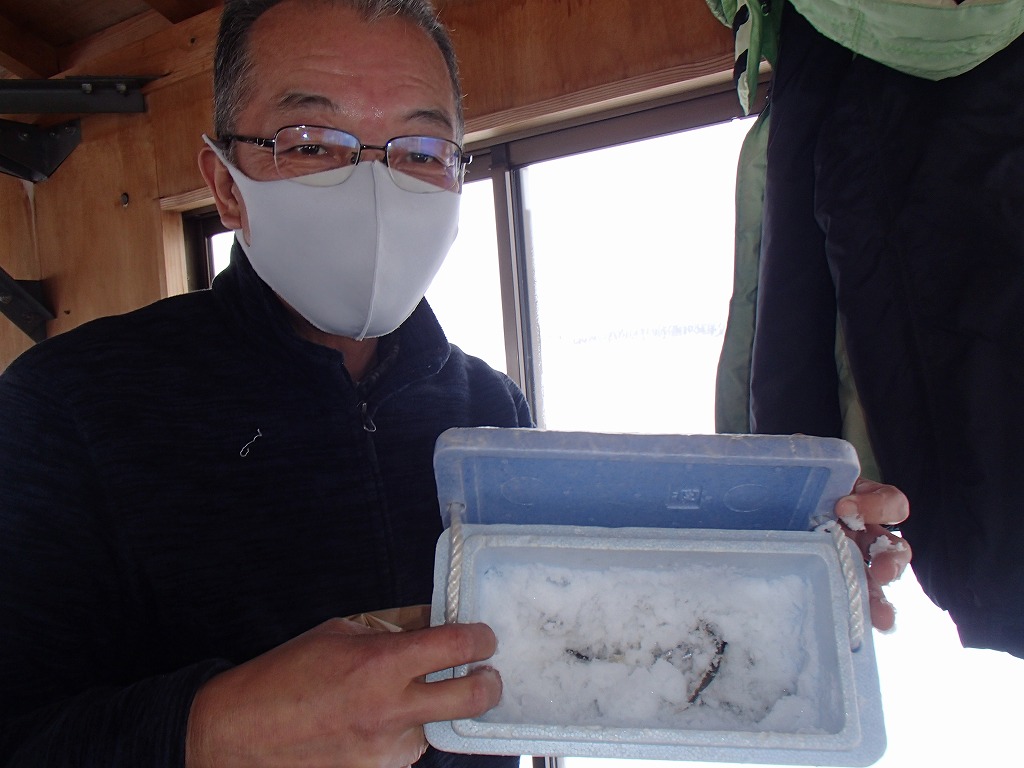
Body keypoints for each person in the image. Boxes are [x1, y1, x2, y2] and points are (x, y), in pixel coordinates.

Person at [0, 1, 912, 766]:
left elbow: (583, 626)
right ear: (227, 185)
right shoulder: (64, 407)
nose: (373, 186)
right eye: (310, 142)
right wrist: (216, 728)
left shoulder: (489, 408)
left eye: (420, 150)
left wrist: (785, 570)